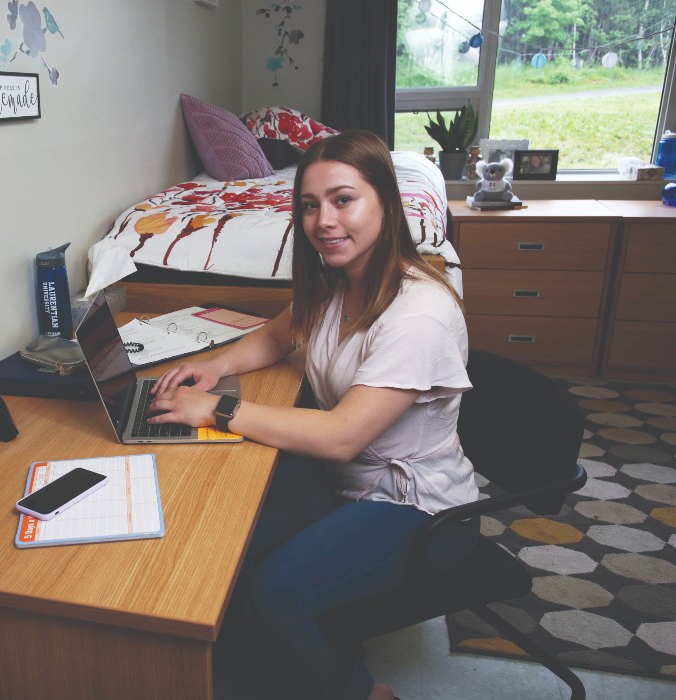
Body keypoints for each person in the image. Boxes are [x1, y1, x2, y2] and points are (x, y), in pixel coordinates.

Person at [146, 130, 480, 699]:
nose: (324, 220)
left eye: (343, 199)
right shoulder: (338, 281)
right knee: (228, 537)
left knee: (274, 588)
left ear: (387, 205)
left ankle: (363, 691)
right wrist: (213, 365)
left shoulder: (418, 313)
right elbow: (277, 337)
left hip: (416, 510)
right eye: (309, 204)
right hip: (351, 484)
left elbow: (342, 437)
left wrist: (218, 408)